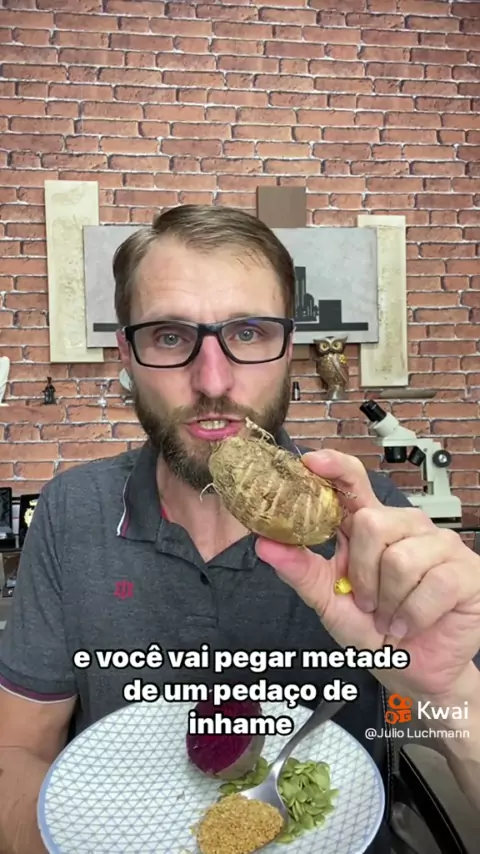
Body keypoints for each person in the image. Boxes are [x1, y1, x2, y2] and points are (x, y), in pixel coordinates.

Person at [0, 204, 479, 854]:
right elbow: (18, 748)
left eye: (248, 333)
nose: (213, 380)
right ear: (128, 354)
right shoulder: (71, 511)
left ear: (289, 348)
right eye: (170, 336)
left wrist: (453, 695)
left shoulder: (369, 523)